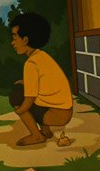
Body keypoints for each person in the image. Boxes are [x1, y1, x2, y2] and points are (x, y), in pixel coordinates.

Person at [8, 13, 73, 149]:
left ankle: (36, 135)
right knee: (21, 85)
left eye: (15, 37)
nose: (12, 43)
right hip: (64, 111)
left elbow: (29, 98)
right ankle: (45, 130)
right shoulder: (42, 56)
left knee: (16, 96)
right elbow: (44, 84)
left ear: (25, 40)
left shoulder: (31, 63)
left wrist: (20, 111)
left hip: (55, 114)